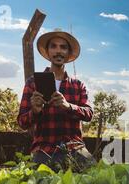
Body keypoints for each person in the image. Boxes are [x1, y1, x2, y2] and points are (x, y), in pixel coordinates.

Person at [17, 29, 96, 171]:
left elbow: (89, 114)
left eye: (63, 47)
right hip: (44, 150)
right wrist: (34, 111)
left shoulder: (78, 85)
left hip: (75, 148)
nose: (58, 51)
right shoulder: (32, 83)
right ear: (48, 52)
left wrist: (68, 106)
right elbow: (22, 122)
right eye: (53, 46)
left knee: (97, 176)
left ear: (68, 54)